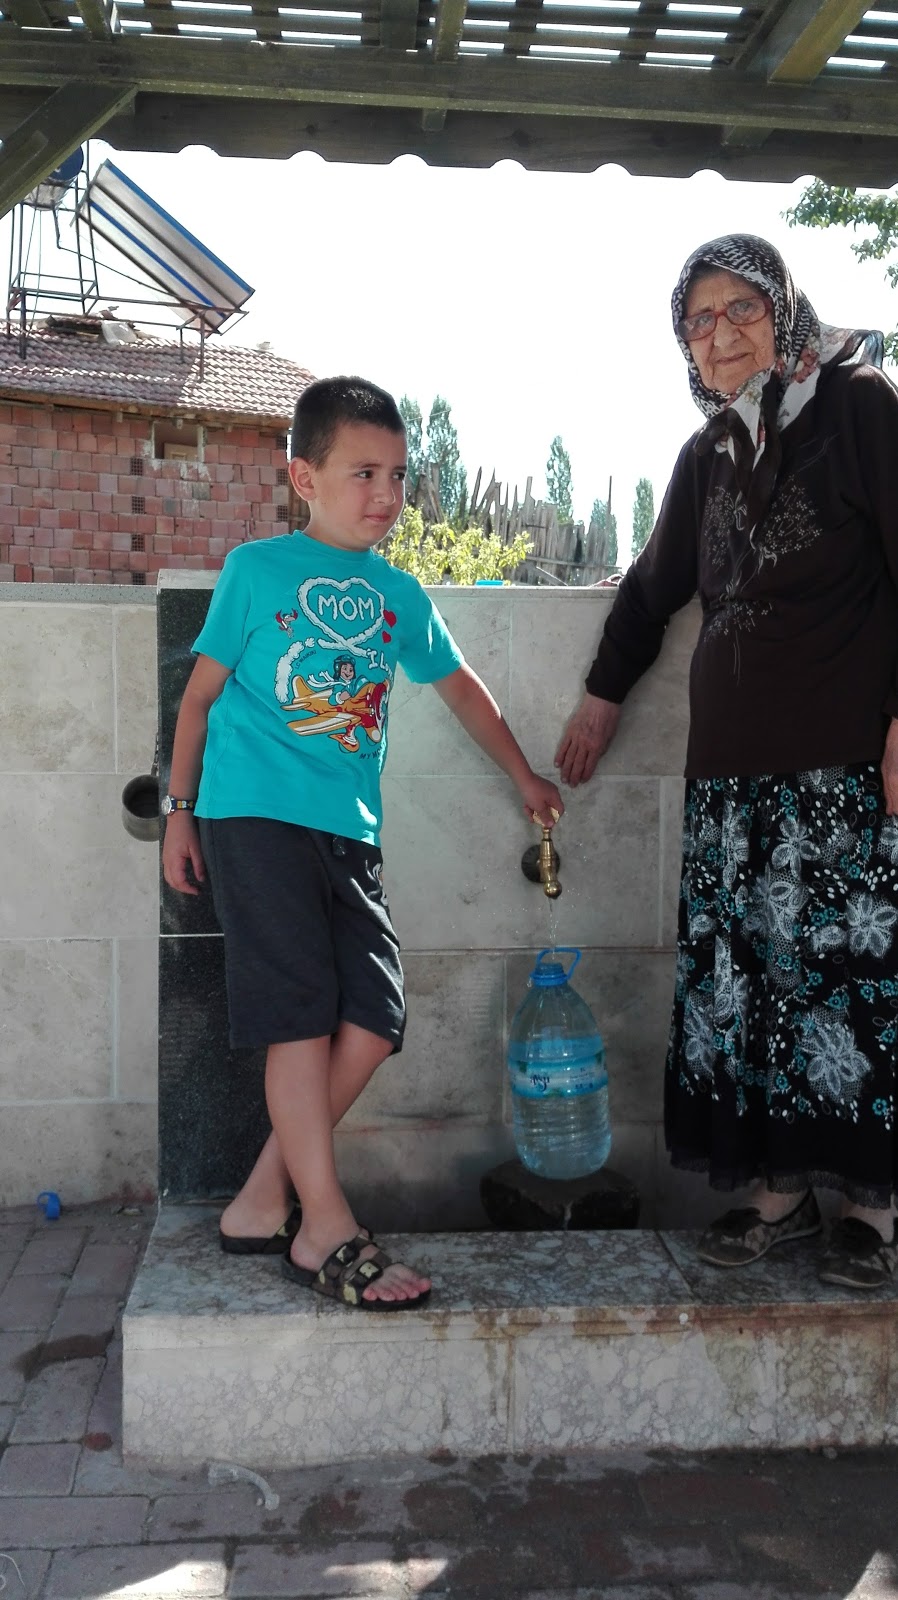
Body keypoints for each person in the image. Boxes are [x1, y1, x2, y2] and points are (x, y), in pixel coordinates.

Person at [163, 375, 563, 1311]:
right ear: (305, 476)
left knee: (376, 1020)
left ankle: (263, 1199)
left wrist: (523, 775)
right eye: (362, 473)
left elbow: (461, 688)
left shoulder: (398, 591)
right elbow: (198, 697)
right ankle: (325, 1224)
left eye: (397, 475)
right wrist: (180, 810)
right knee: (297, 1014)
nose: (385, 495)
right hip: (252, 816)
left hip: (349, 832)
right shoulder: (258, 570)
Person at [556, 234, 898, 1290]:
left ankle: (873, 1209)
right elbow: (652, 589)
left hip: (840, 773)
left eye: (740, 307)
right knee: (746, 987)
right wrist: (600, 697)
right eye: (699, 319)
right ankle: (778, 1194)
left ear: (784, 310)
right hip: (732, 784)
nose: (721, 333)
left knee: (849, 986)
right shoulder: (708, 454)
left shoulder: (859, 406)